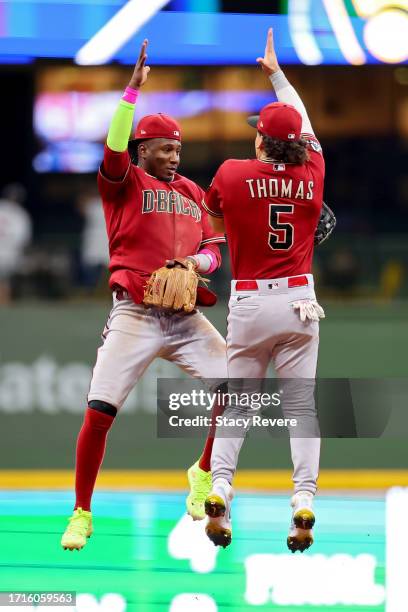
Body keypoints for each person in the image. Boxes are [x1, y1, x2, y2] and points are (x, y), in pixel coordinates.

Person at [61, 40, 227, 550]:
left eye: (178, 148)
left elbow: (215, 252)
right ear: (142, 151)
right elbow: (112, 145)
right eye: (165, 148)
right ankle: (82, 511)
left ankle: (201, 473)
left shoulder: (194, 193)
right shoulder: (124, 182)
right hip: (135, 312)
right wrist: (131, 90)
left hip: (182, 315)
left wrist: (194, 264)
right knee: (99, 412)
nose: (174, 155)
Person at [201, 28, 325, 553]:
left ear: (259, 139)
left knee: (238, 408)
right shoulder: (314, 170)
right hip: (299, 302)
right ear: (297, 141)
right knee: (302, 407)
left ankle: (223, 489)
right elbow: (305, 121)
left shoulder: (230, 173)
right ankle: (303, 499)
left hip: (249, 302)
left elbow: (211, 215)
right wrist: (277, 74)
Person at [0, 183, 32, 303]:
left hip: (8, 252)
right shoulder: (20, 214)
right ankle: (4, 302)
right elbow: (23, 239)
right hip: (9, 253)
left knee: (3, 282)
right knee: (4, 282)